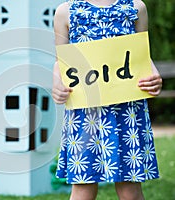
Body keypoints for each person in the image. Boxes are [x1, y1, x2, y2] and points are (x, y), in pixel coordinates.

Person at [52, 0, 163, 199]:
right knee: (83, 186)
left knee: (130, 189)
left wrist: (153, 77)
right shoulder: (65, 11)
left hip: (127, 109)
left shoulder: (136, 7)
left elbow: (141, 55)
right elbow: (61, 60)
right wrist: (56, 84)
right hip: (85, 111)